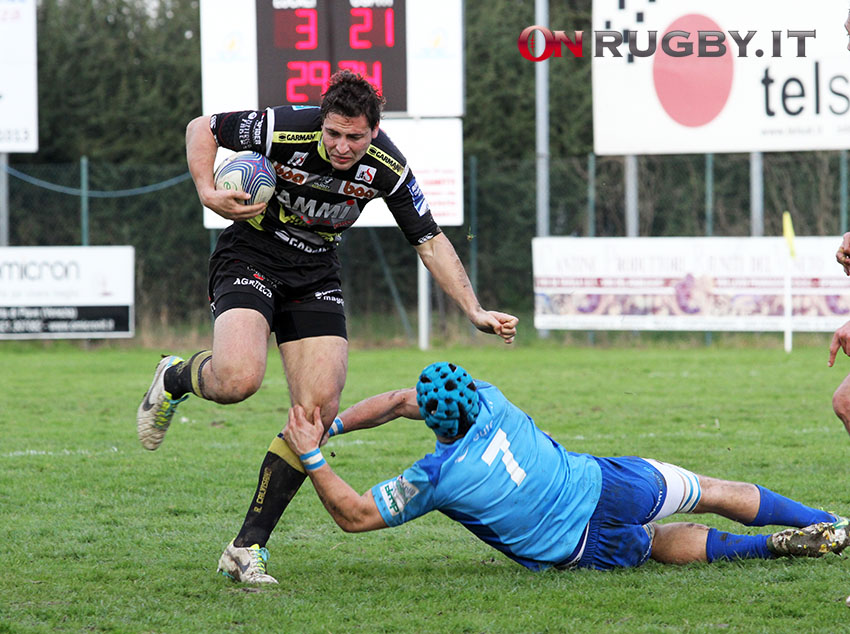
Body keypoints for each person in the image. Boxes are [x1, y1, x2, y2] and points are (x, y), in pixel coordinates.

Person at [136, 71, 518, 583]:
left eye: (354, 136)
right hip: (251, 254)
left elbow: (429, 240)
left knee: (315, 413)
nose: (341, 146)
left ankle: (246, 548)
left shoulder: (389, 168)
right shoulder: (284, 128)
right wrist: (207, 190)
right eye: (333, 133)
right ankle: (175, 377)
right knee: (237, 380)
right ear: (322, 120)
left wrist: (474, 310)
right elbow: (200, 128)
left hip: (316, 273)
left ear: (374, 131)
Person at [281, 361, 848, 573]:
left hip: (575, 548)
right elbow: (403, 399)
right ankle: (826, 519)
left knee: (658, 544)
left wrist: (315, 446)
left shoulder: (438, 477)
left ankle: (763, 550)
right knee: (713, 489)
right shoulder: (493, 396)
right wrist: (334, 426)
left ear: (432, 420)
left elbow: (355, 516)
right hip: (607, 483)